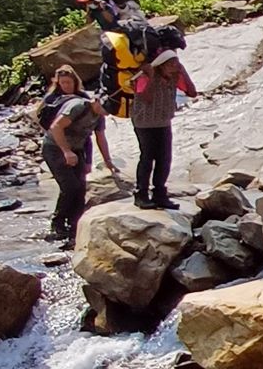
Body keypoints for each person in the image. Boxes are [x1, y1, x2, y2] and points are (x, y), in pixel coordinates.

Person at [38, 65, 116, 247]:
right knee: (70, 186)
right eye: (105, 107)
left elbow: (99, 138)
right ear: (96, 101)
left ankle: (74, 225)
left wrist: (107, 161)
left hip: (77, 149)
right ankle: (57, 224)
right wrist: (66, 151)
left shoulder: (99, 115)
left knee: (81, 188)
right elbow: (56, 127)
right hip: (54, 147)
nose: (106, 111)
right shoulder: (78, 106)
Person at [130, 50, 196, 209]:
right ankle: (141, 194)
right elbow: (146, 97)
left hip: (163, 122)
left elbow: (192, 92)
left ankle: (160, 194)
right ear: (162, 65)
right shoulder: (145, 77)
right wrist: (152, 77)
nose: (174, 66)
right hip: (144, 122)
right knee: (147, 157)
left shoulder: (174, 77)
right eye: (171, 64)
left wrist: (183, 72)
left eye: (176, 63)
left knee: (164, 159)